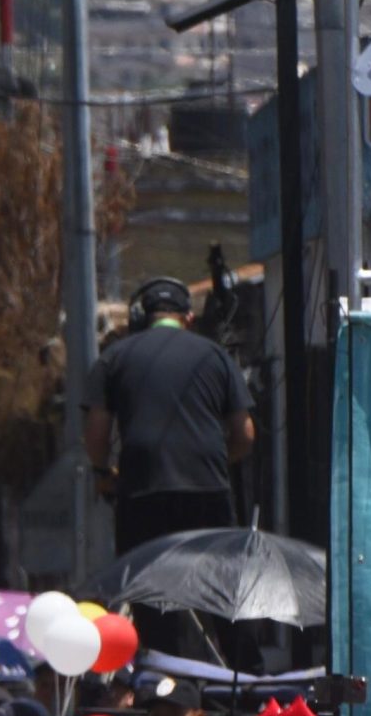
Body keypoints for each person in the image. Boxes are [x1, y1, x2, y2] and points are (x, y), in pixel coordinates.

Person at [81, 277, 253, 649]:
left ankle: (163, 683)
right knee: (224, 590)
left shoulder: (114, 357)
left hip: (143, 490)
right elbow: (245, 434)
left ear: (142, 317)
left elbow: (96, 434)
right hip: (208, 489)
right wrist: (220, 463)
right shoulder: (216, 356)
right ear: (188, 318)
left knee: (151, 592)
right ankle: (247, 678)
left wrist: (103, 472)